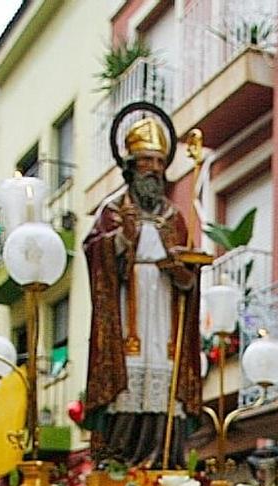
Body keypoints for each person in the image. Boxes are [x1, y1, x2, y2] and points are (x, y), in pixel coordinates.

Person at [81, 112, 201, 465]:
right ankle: (122, 457)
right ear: (131, 165)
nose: (154, 169)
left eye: (160, 162)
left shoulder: (174, 217)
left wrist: (180, 270)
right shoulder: (114, 210)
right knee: (129, 380)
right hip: (125, 309)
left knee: (164, 380)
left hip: (164, 311)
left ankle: (164, 459)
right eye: (147, 160)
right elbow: (94, 253)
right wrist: (121, 239)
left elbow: (189, 280)